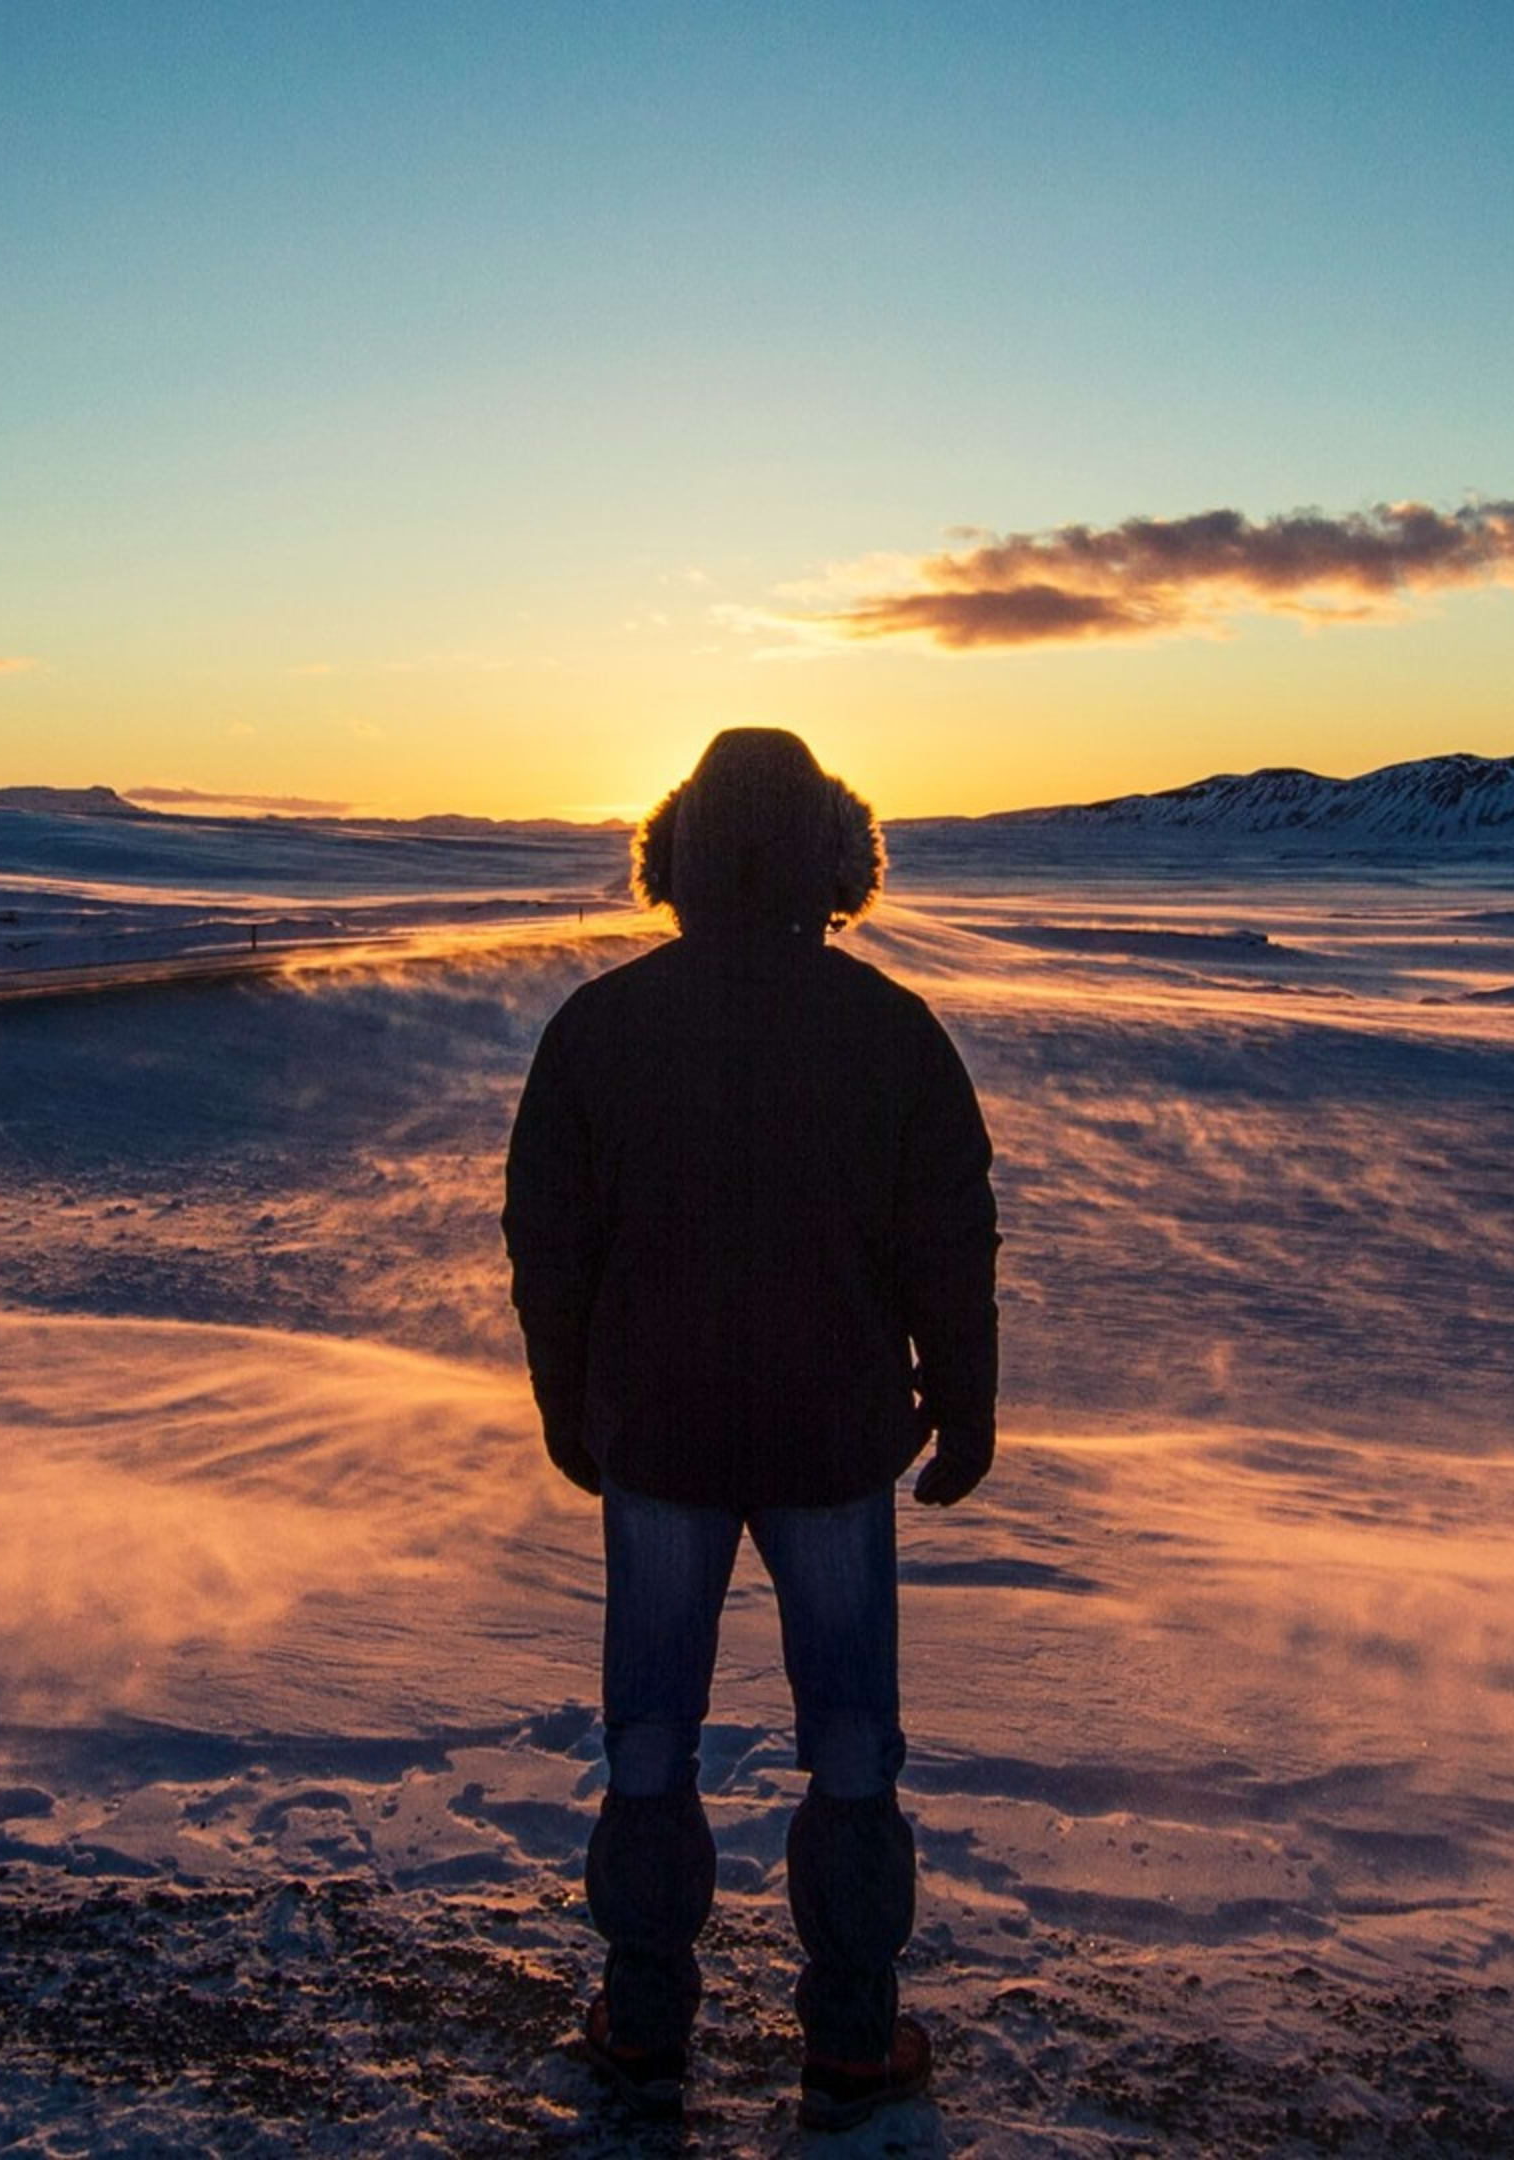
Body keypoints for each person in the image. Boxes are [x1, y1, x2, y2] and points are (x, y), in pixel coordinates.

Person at [502, 726, 1000, 2130]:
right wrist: (962, 1406)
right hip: (832, 1442)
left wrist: (570, 1402)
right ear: (837, 856)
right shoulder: (889, 1027)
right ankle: (848, 2037)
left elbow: (552, 1244)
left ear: (676, 855)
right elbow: (948, 1241)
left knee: (653, 1734)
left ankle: (646, 2027)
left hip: (656, 1437)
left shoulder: (603, 1025)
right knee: (848, 1739)